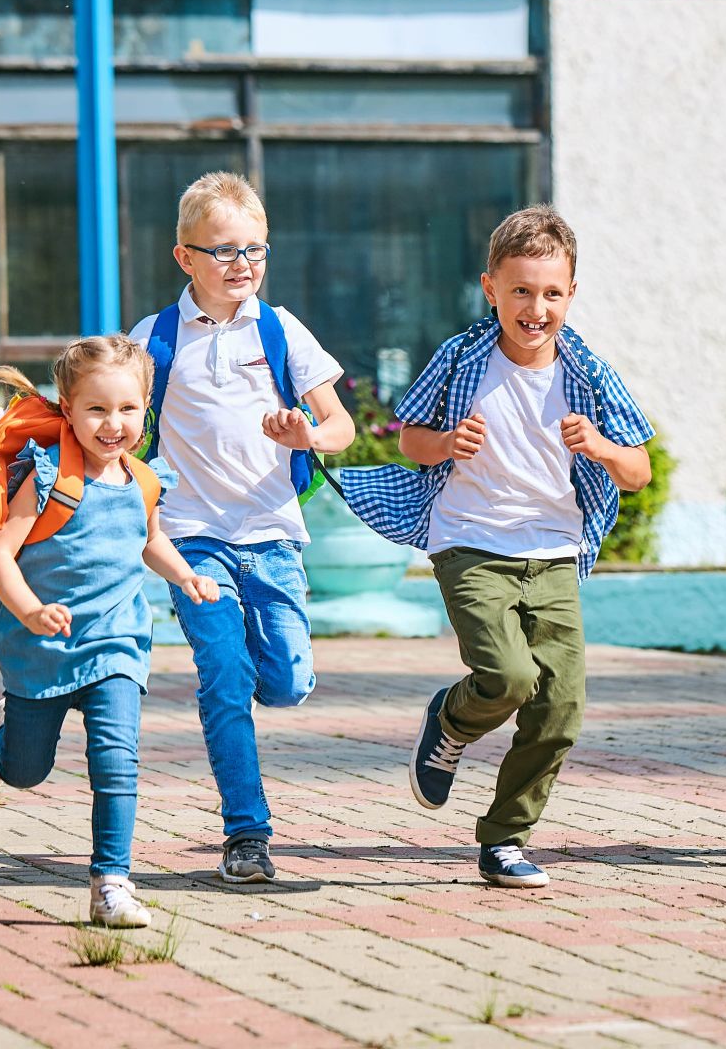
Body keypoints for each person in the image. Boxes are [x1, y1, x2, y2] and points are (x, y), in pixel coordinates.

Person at [343, 206, 654, 888]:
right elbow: (408, 439)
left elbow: (638, 471)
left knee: (559, 708)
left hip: (553, 552)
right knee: (510, 679)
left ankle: (506, 839)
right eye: (520, 290)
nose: (535, 307)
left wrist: (599, 447)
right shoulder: (461, 357)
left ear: (571, 293)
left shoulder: (589, 374)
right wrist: (446, 444)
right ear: (491, 289)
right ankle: (452, 719)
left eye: (550, 293)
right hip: (469, 542)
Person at [125, 172, 355, 885]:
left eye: (254, 250)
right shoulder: (154, 339)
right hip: (193, 536)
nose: (241, 265)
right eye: (222, 250)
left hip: (273, 536)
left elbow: (341, 427)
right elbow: (120, 433)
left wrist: (307, 433)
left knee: (284, 684)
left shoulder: (281, 329)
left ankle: (269, 669)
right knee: (224, 680)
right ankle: (246, 836)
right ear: (184, 257)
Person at [0, 337, 218, 927]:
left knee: (117, 758)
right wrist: (29, 611)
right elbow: (0, 553)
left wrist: (186, 577)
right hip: (40, 647)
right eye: (97, 410)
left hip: (117, 642)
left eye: (128, 409)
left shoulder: (144, 480)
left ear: (146, 409)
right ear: (68, 409)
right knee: (26, 772)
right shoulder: (49, 474)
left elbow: (149, 540)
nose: (113, 424)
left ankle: (111, 881)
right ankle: (4, 736)